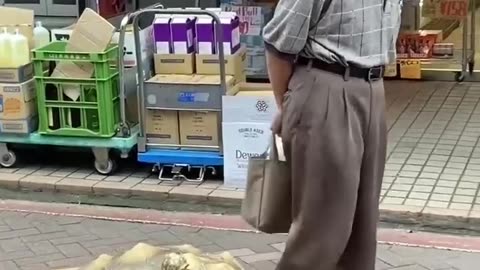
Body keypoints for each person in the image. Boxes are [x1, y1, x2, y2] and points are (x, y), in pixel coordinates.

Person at [263, 0, 402, 269]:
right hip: (326, 85)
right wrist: (293, 105)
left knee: (362, 226)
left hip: (373, 88)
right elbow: (277, 45)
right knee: (323, 226)